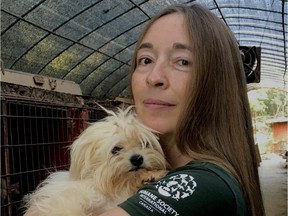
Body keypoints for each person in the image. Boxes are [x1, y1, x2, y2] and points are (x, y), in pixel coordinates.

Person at [99, 3, 265, 216]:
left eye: (183, 61)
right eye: (146, 59)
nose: (154, 77)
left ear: (217, 83)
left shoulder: (207, 184)